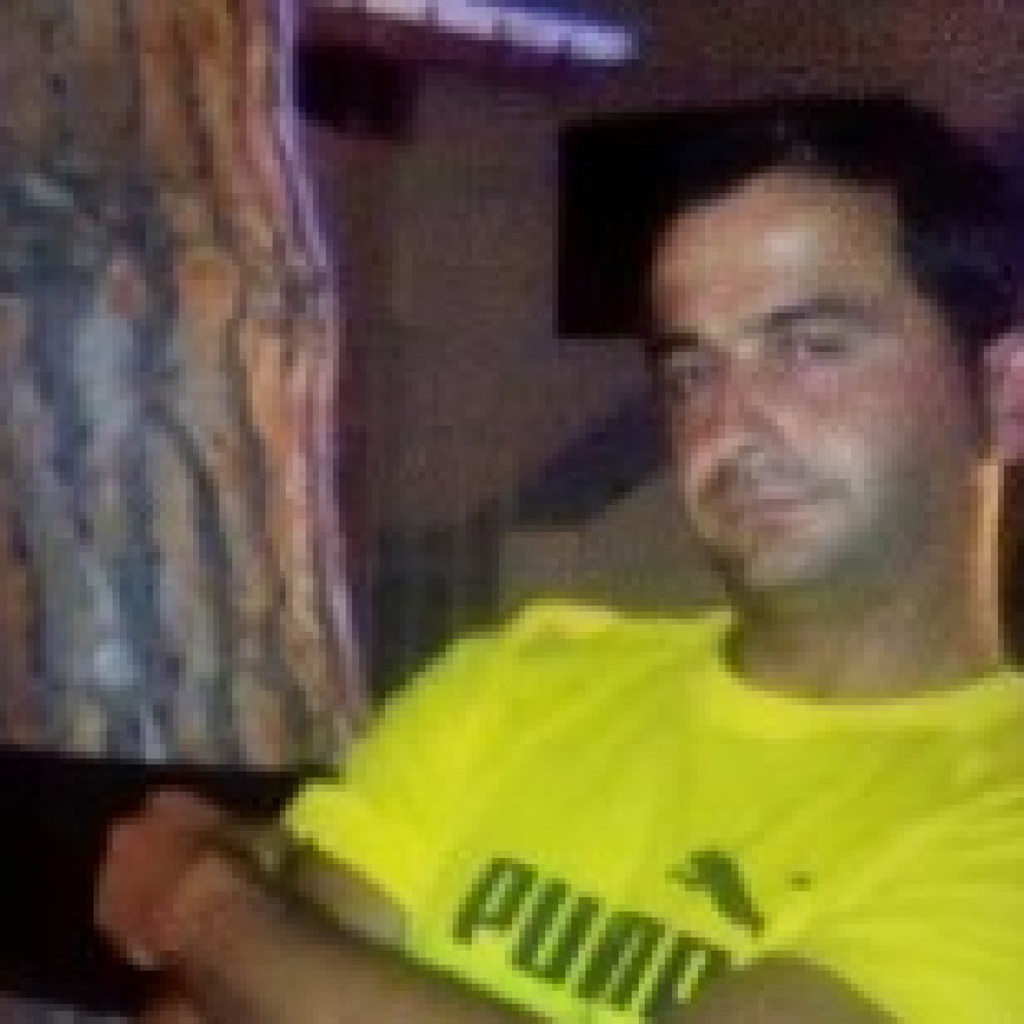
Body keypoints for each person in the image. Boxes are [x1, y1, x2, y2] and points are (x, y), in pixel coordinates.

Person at [95, 94, 1024, 1024]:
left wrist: (201, 907)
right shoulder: (523, 680)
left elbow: (253, 965)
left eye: (811, 348)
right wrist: (247, 944)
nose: (730, 428)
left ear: (1003, 394)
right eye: (692, 372)